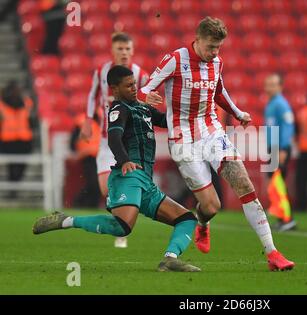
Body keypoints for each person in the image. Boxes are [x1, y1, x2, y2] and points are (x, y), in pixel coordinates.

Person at [142, 17, 294, 271]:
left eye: (219, 48)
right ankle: (203, 223)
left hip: (212, 132)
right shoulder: (175, 60)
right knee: (212, 206)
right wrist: (148, 97)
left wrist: (237, 112)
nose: (214, 53)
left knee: (246, 187)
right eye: (211, 46)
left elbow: (219, 91)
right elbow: (145, 89)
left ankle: (273, 253)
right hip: (183, 140)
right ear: (197, 39)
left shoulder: (216, 62)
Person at [33, 65, 200, 272]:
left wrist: (185, 110)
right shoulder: (118, 109)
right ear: (114, 89)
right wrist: (124, 161)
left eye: (134, 84)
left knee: (187, 219)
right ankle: (66, 220)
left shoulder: (143, 108)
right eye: (128, 86)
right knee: (122, 227)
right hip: (129, 174)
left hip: (145, 182)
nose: (133, 88)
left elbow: (168, 121)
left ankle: (170, 258)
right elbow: (113, 137)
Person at [80, 32, 149, 248]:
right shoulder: (101, 72)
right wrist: (88, 120)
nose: (124, 53)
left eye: (128, 49)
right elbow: (93, 96)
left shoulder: (140, 75)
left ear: (133, 51)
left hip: (129, 143)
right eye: (120, 49)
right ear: (113, 50)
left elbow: (147, 100)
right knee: (106, 189)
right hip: (106, 139)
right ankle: (121, 221)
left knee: (125, 185)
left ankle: (122, 230)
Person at [263, 73, 296, 232]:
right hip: (274, 147)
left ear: (280, 87)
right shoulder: (271, 103)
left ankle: (288, 218)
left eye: (272, 84)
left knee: (278, 183)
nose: (268, 87)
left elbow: (289, 126)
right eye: (267, 84)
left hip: (279, 148)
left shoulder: (281, 104)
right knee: (276, 184)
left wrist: (283, 148)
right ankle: (282, 217)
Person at [0, 81, 34, 199]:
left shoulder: (26, 103)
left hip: (24, 140)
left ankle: (14, 188)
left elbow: (31, 120)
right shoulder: (2, 104)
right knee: (12, 167)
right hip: (8, 141)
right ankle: (12, 191)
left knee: (20, 167)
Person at [69, 113, 101, 208]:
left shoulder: (99, 117)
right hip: (88, 156)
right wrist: (76, 152)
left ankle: (89, 204)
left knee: (95, 183)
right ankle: (80, 202)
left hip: (100, 155)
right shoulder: (82, 121)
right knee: (93, 182)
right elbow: (73, 140)